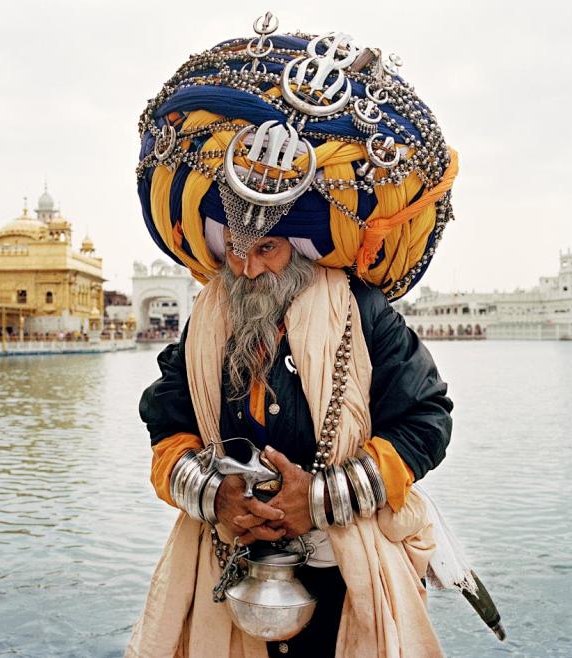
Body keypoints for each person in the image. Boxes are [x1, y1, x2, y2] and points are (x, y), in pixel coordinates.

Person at [126, 13, 458, 658]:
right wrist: (213, 494)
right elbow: (164, 418)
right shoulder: (210, 314)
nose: (248, 266)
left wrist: (323, 500)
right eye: (237, 248)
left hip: (344, 570)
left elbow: (426, 422)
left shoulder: (363, 312)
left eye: (268, 247)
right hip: (230, 560)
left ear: (302, 246)